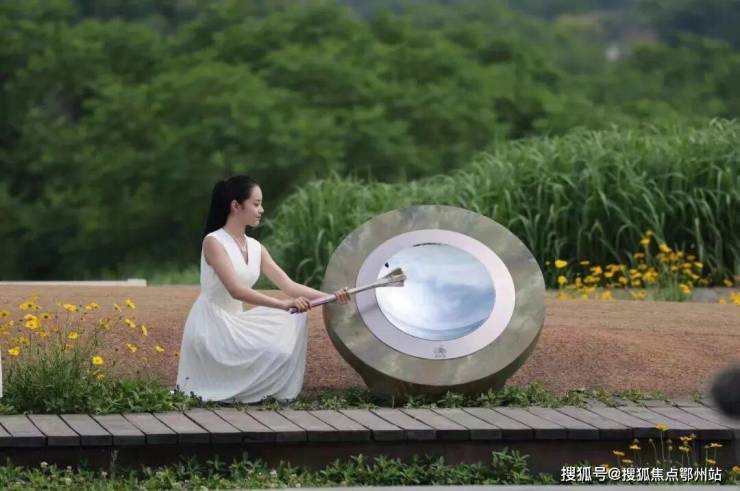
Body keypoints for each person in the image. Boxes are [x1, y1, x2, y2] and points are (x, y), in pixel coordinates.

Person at [176, 175, 351, 403]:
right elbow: (236, 291)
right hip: (213, 326)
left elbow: (288, 285)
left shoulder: (255, 247)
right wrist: (282, 305)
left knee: (293, 322)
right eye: (256, 204)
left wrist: (332, 297)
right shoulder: (214, 242)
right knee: (282, 329)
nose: (261, 210)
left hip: (236, 321)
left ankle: (255, 390)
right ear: (236, 206)